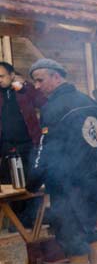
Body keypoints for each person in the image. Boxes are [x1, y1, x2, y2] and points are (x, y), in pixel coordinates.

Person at [29, 58, 97, 264]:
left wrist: (32, 182)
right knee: (91, 233)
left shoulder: (52, 108)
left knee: (73, 240)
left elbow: (46, 150)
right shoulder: (90, 102)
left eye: (40, 80)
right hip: (95, 181)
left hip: (68, 184)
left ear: (56, 77)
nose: (36, 86)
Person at [0, 62, 45, 224]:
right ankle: (15, 221)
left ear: (12, 75)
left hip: (29, 143)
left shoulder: (24, 91)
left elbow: (42, 102)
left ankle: (32, 219)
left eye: (2, 76)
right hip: (6, 146)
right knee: (9, 183)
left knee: (31, 181)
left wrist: (26, 87)